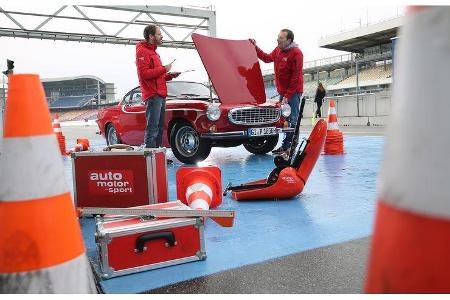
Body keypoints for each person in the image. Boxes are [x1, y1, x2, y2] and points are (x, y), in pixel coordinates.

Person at [249, 29, 303, 155]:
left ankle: (289, 147)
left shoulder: (296, 53)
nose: (277, 39)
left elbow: (296, 77)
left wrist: (287, 96)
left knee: (292, 119)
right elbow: (267, 58)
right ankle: (285, 145)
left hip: (293, 92)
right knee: (283, 118)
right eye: (278, 37)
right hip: (283, 91)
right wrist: (255, 47)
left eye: (281, 38)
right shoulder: (278, 50)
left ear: (289, 40)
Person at [136, 25, 180, 149]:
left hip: (160, 94)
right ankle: (150, 156)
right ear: (151, 36)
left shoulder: (154, 52)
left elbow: (157, 75)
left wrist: (169, 75)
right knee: (153, 128)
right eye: (159, 34)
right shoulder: (142, 51)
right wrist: (164, 69)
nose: (162, 36)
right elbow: (144, 74)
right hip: (153, 95)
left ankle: (158, 156)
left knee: (160, 128)